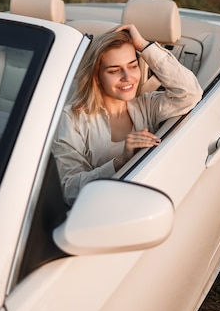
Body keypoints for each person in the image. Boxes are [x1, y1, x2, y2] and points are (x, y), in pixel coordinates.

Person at [52, 24, 203, 205]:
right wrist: (120, 162)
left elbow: (190, 93)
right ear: (96, 77)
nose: (127, 77)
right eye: (114, 70)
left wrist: (143, 45)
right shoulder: (71, 119)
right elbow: (69, 189)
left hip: (144, 201)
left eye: (132, 66)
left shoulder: (147, 106)